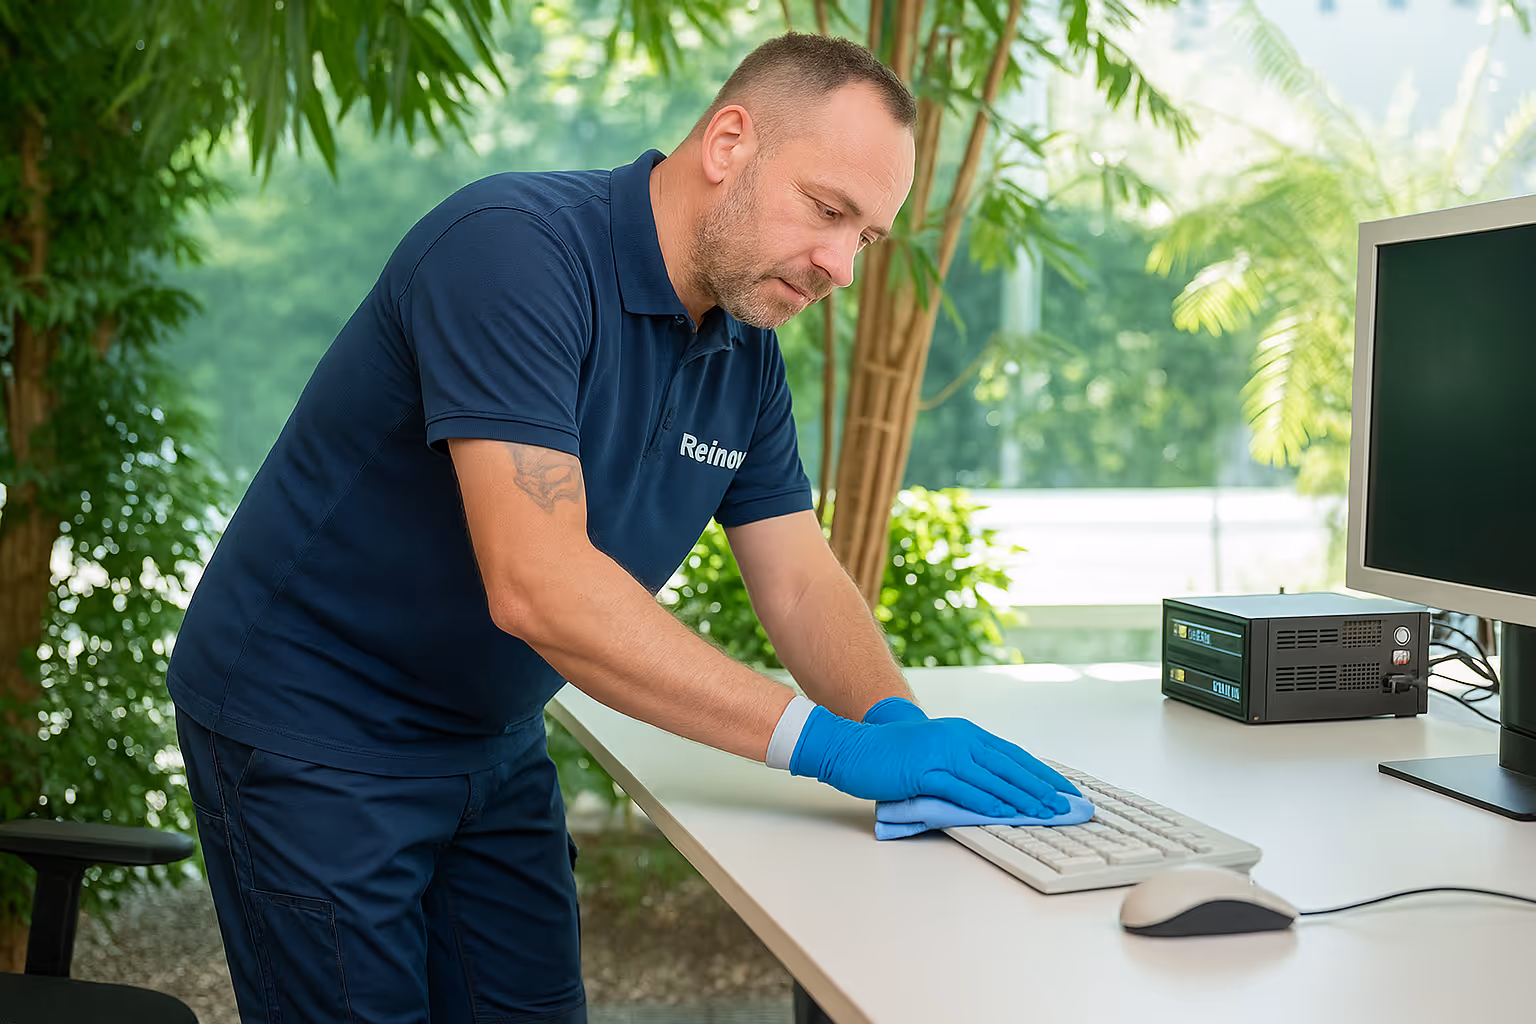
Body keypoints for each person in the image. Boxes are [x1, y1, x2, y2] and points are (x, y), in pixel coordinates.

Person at [166, 32, 1078, 1024]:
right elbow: (540, 584)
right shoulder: (512, 251)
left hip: (491, 737)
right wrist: (822, 744)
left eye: (866, 237)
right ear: (729, 142)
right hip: (314, 732)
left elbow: (800, 575)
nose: (840, 268)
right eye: (828, 211)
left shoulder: (743, 351)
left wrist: (895, 723)